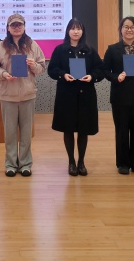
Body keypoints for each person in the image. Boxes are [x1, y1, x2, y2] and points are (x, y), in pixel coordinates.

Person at [0, 13, 46, 177]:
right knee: (10, 133)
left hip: (28, 95)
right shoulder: (1, 46)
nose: (16, 27)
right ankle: (11, 164)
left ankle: (26, 164)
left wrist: (33, 65)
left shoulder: (32, 45)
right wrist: (4, 74)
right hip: (8, 96)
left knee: (26, 133)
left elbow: (42, 68)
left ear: (24, 26)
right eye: (13, 25)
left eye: (19, 24)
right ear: (8, 28)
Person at [48, 18, 104, 176]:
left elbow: (100, 69)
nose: (75, 31)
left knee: (83, 130)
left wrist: (92, 76)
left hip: (86, 95)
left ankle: (81, 162)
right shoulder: (60, 50)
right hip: (66, 95)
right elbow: (52, 69)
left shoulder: (90, 50)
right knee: (68, 129)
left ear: (82, 31)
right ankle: (71, 161)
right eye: (72, 28)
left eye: (78, 28)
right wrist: (63, 74)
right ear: (68, 31)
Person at [103, 16, 134, 176]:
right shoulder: (112, 49)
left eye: (133, 27)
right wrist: (116, 77)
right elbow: (105, 70)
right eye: (126, 27)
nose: (129, 30)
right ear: (121, 30)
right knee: (122, 131)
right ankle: (123, 163)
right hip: (120, 96)